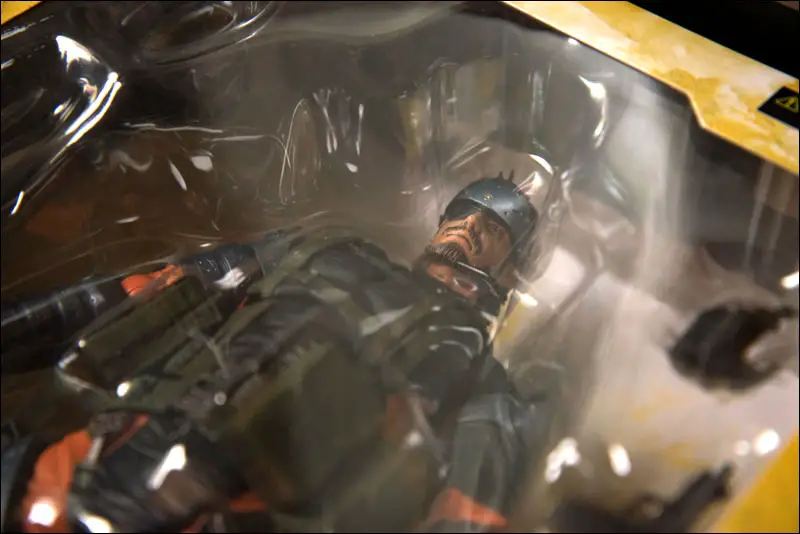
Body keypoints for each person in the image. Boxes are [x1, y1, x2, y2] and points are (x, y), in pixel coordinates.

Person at [1, 175, 551, 533]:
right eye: (463, 212)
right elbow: (152, 290)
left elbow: (467, 515)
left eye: (493, 229)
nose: (469, 227)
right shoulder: (329, 251)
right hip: (94, 456)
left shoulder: (480, 379)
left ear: (510, 273)